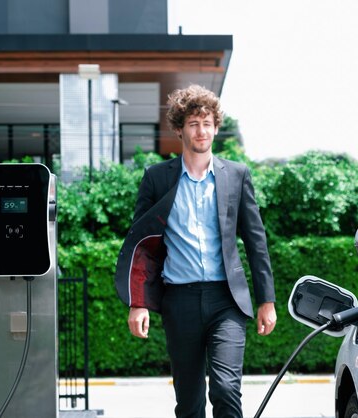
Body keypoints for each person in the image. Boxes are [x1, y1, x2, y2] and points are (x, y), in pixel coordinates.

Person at [114, 84, 277, 418]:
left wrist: (267, 300)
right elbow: (142, 246)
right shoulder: (157, 178)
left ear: (216, 127)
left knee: (226, 389)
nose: (201, 131)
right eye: (193, 123)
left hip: (227, 301)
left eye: (207, 123)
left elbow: (256, 240)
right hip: (180, 300)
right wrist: (138, 302)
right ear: (179, 129)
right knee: (189, 402)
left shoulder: (237, 175)